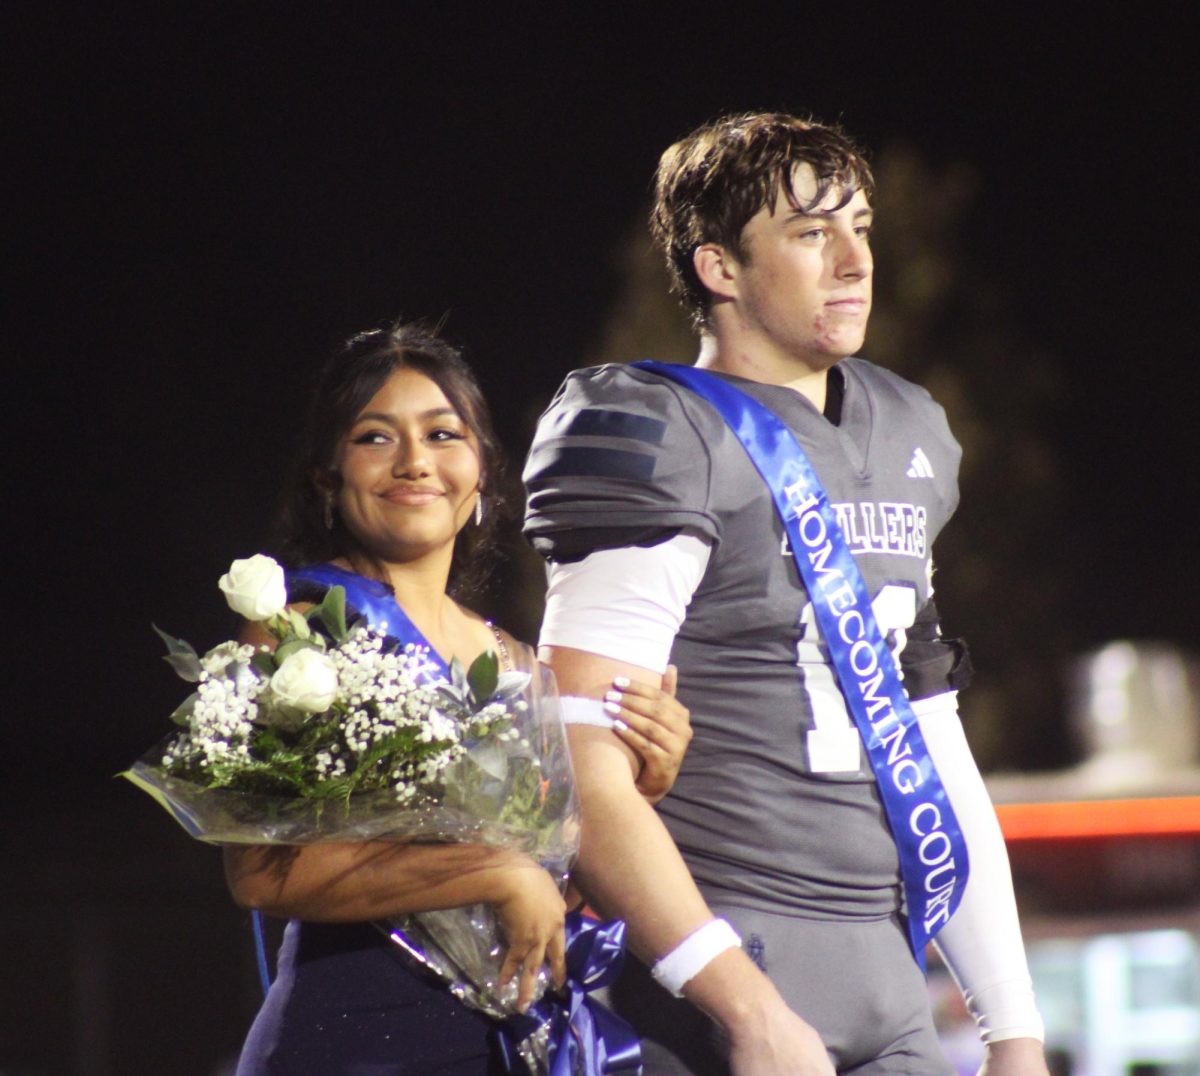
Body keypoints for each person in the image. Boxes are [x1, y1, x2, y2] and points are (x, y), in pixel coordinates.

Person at [522, 112, 1050, 1074]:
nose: (853, 260)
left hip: (891, 979)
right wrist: (745, 1007)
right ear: (719, 267)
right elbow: (574, 758)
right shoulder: (653, 427)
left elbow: (930, 737)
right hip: (715, 970)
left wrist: (1012, 1025)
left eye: (861, 229)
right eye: (811, 234)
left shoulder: (908, 429)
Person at [223, 322, 692, 1075]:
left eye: (443, 434)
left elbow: (557, 878)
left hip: (509, 1039)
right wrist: (493, 871)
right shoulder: (302, 630)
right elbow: (259, 872)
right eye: (376, 438)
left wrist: (638, 784)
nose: (415, 461)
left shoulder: (513, 659)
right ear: (327, 478)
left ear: (480, 473)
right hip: (352, 1041)